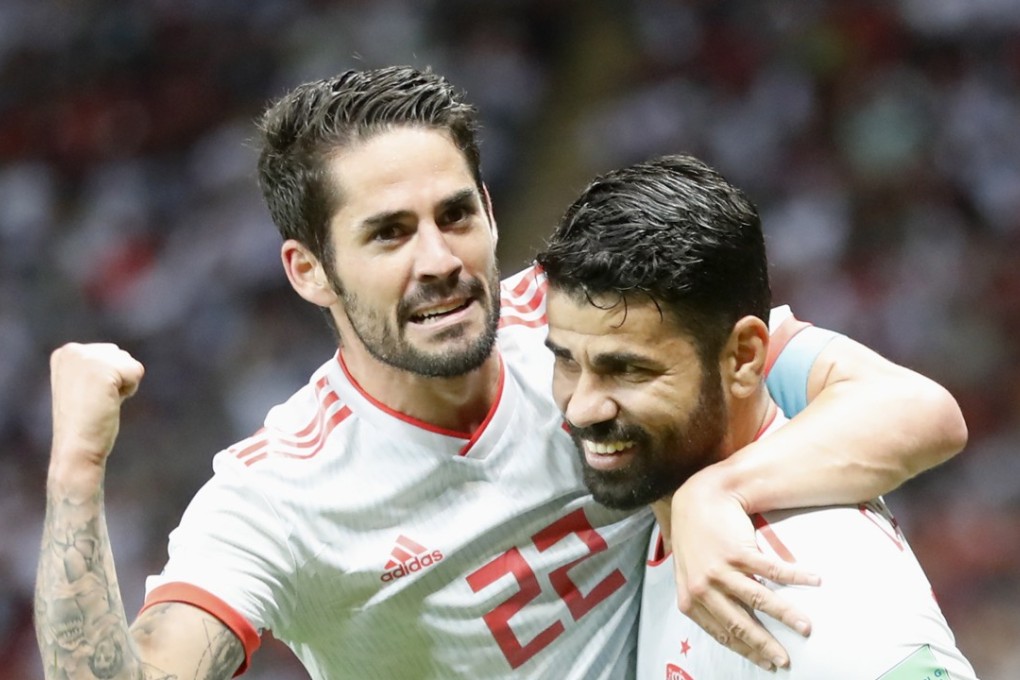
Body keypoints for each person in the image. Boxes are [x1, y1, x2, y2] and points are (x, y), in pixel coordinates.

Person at [35, 67, 967, 679]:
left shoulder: (586, 329)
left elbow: (913, 410)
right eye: (389, 234)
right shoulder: (275, 499)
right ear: (309, 270)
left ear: (488, 207)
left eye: (455, 215)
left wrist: (715, 492)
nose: (439, 260)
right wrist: (75, 471)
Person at [537, 153, 977, 678]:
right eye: (566, 360)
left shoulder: (816, 590)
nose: (583, 407)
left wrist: (717, 490)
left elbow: (926, 409)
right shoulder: (677, 499)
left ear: (744, 358)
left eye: (628, 369)